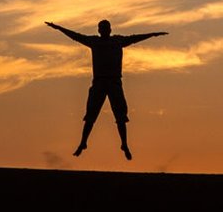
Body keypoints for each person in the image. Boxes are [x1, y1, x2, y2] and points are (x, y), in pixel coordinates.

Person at [44, 19, 168, 160]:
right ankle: (83, 142)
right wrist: (59, 28)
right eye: (101, 28)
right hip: (100, 82)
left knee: (120, 116)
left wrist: (152, 34)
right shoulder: (95, 42)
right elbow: (75, 36)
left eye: (105, 28)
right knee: (91, 115)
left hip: (114, 82)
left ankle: (124, 144)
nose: (103, 30)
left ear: (110, 29)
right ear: (99, 30)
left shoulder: (117, 41)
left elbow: (135, 38)